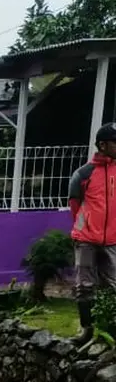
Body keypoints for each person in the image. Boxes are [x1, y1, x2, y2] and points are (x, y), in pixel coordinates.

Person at [69, 122, 116, 345]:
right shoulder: (84, 173)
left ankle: (109, 329)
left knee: (112, 285)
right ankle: (86, 330)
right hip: (86, 239)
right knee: (84, 286)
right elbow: (74, 203)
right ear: (103, 145)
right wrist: (85, 226)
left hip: (113, 240)